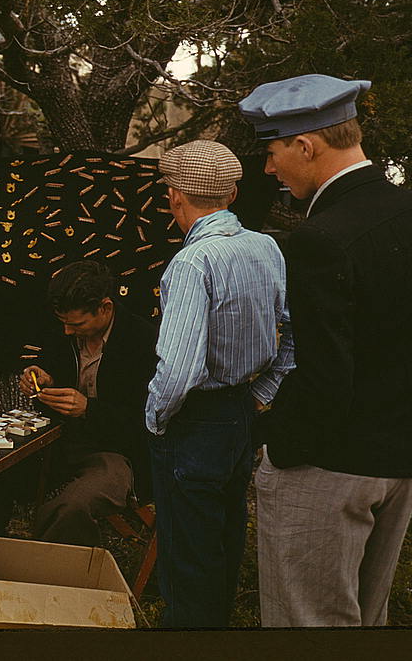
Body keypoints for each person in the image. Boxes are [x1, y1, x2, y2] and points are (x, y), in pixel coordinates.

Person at [238, 74, 412, 626]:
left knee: (308, 621)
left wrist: (279, 447)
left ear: (305, 145)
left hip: (333, 462)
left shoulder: (321, 238)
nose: (269, 170)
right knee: (367, 616)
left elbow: (324, 373)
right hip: (407, 454)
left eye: (272, 152)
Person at [144, 139, 294, 628]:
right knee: (225, 534)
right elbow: (291, 335)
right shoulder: (265, 245)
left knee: (189, 552)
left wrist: (155, 418)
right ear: (229, 195)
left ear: (175, 198)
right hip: (240, 413)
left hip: (199, 417)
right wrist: (259, 395)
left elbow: (179, 369)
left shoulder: (192, 263)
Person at [0, 260, 158, 547]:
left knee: (72, 507)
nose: (68, 331)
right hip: (58, 442)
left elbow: (148, 424)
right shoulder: (64, 330)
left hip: (118, 453)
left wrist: (88, 410)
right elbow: (51, 374)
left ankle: (54, 579)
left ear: (105, 308)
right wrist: (42, 380)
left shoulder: (143, 342)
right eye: (64, 323)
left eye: (77, 324)